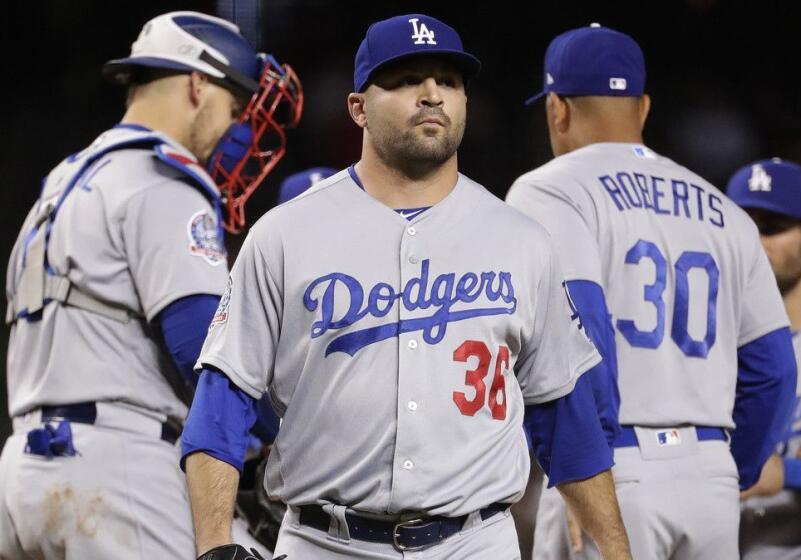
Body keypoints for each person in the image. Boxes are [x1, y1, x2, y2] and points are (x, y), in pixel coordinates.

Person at [181, 13, 632, 560]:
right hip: (324, 541)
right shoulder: (283, 234)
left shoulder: (522, 241)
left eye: (448, 80)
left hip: (476, 540)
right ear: (358, 108)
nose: (431, 95)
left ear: (467, 102)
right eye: (404, 80)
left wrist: (615, 550)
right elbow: (221, 401)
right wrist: (212, 546)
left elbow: (567, 417)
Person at [0, 11, 301, 559]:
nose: (236, 130)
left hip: (25, 471)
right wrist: (289, 426)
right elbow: (207, 350)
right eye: (234, 109)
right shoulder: (163, 180)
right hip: (118, 474)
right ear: (197, 84)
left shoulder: (66, 181)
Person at [506, 23, 797, 559]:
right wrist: (732, 471)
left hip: (615, 469)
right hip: (711, 474)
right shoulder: (725, 210)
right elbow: (774, 368)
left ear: (557, 109)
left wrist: (582, 474)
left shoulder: (551, 187)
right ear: (641, 108)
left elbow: (581, 335)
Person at [728, 158, 801, 559]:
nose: (756, 243)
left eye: (772, 228)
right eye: (745, 227)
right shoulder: (706, 347)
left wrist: (792, 474)